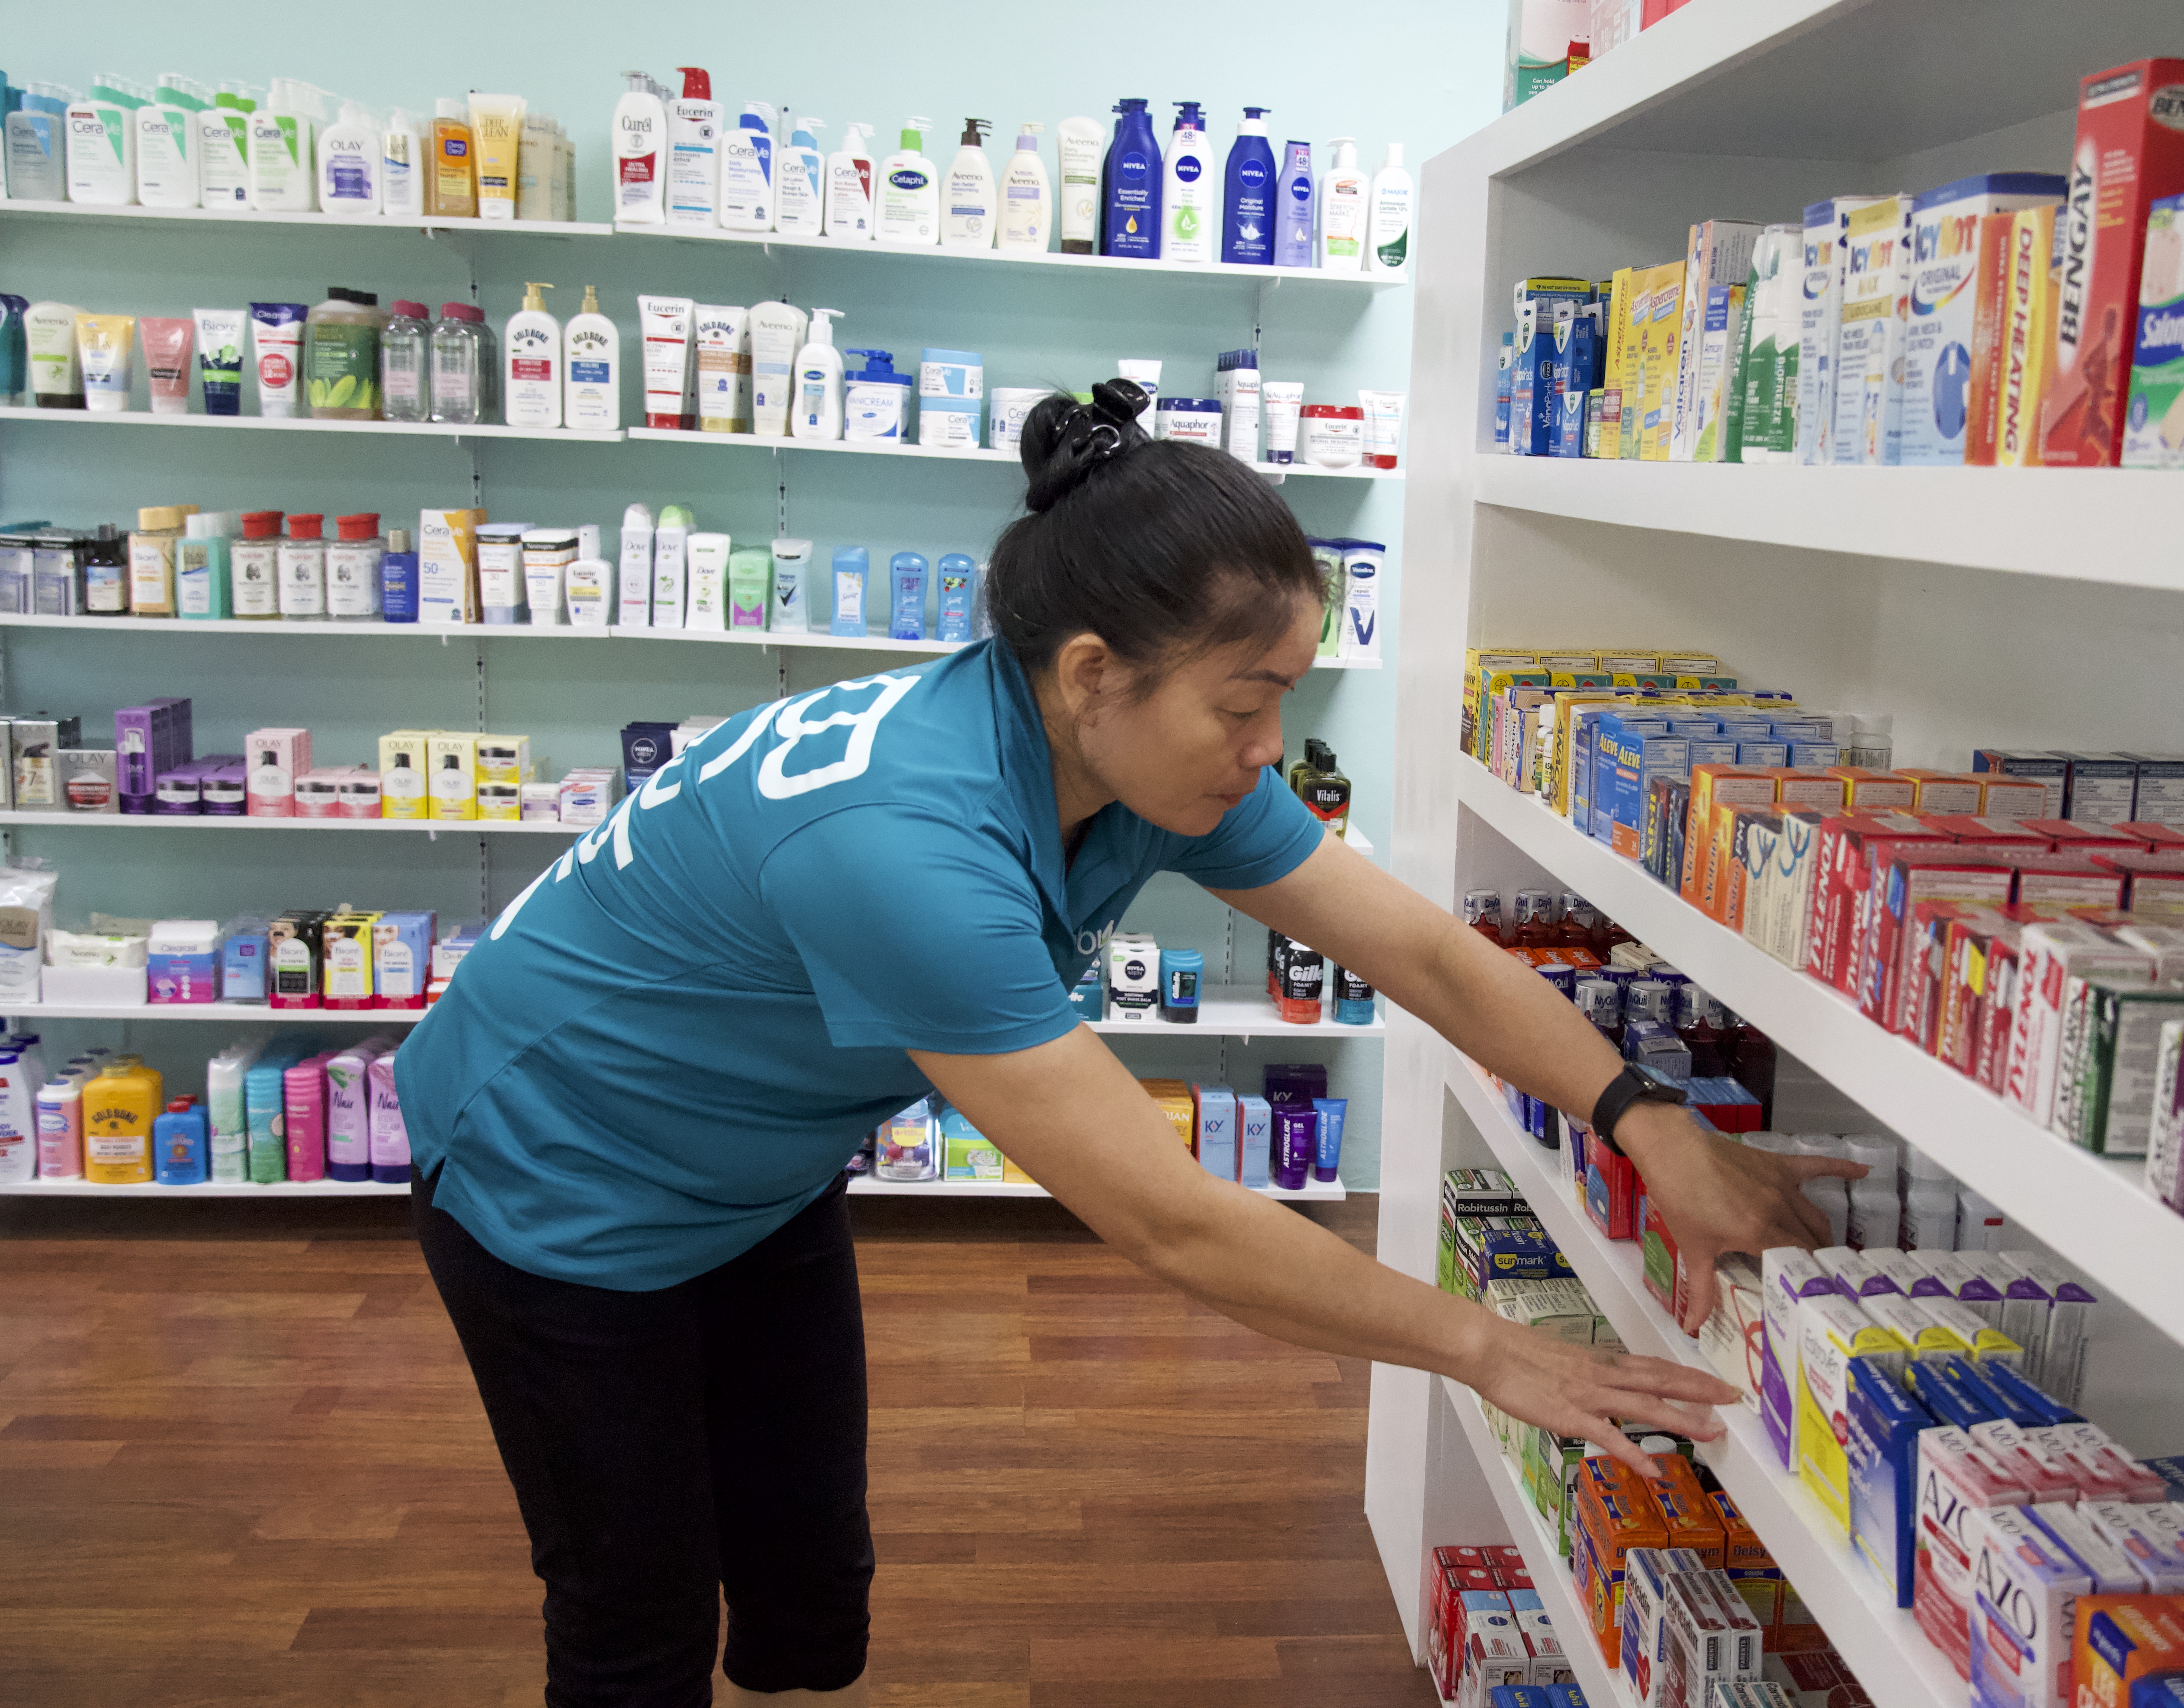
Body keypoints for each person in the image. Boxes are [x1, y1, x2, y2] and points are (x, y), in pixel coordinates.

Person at [397, 378, 1860, 1707]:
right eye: (1247, 703)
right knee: (636, 1615)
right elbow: (1169, 1221)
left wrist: (1648, 1120)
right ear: (1096, 674)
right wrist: (1489, 1353)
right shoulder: (908, 849)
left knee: (804, 1600)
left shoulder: (1154, 771)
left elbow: (1415, 949)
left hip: (759, 1174)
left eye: (1281, 696)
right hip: (559, 1175)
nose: (1266, 746)